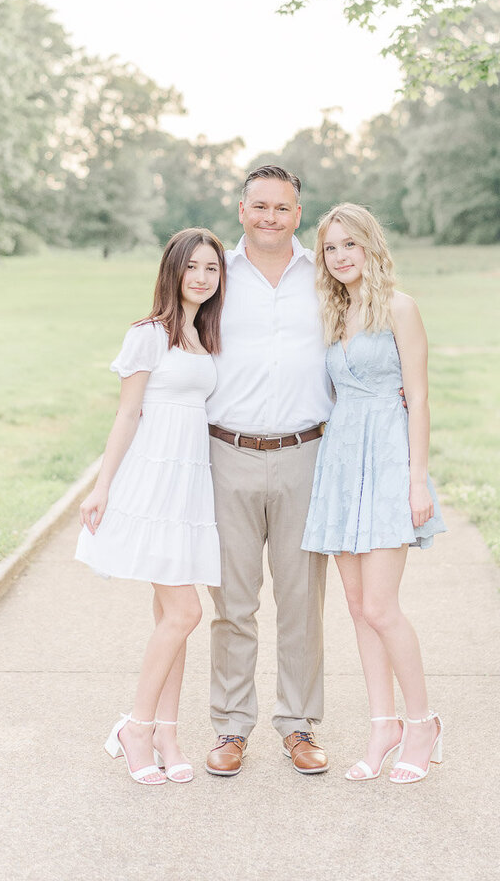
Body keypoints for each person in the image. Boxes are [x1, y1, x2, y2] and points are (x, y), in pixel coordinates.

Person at [302, 203, 446, 784]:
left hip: (387, 461)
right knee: (359, 609)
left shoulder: (400, 309)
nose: (339, 257)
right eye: (330, 249)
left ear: (370, 245)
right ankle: (381, 723)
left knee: (383, 607)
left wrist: (416, 478)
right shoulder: (334, 313)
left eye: (348, 245)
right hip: (342, 464)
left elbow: (420, 397)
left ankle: (422, 724)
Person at [75, 227, 226, 786]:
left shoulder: (205, 334)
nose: (202, 277)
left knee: (172, 617)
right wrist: (101, 485)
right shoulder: (149, 335)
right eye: (193, 267)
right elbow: (127, 414)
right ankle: (136, 726)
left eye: (212, 268)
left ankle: (167, 731)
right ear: (173, 270)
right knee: (186, 612)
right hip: (152, 481)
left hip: (189, 487)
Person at [204, 165, 332, 777]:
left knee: (302, 598)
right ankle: (231, 727)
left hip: (305, 453)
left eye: (282, 208)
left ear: (298, 215)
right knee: (232, 601)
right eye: (260, 206)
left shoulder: (326, 276)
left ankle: (299, 724)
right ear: (241, 209)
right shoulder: (216, 275)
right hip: (225, 451)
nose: (271, 217)